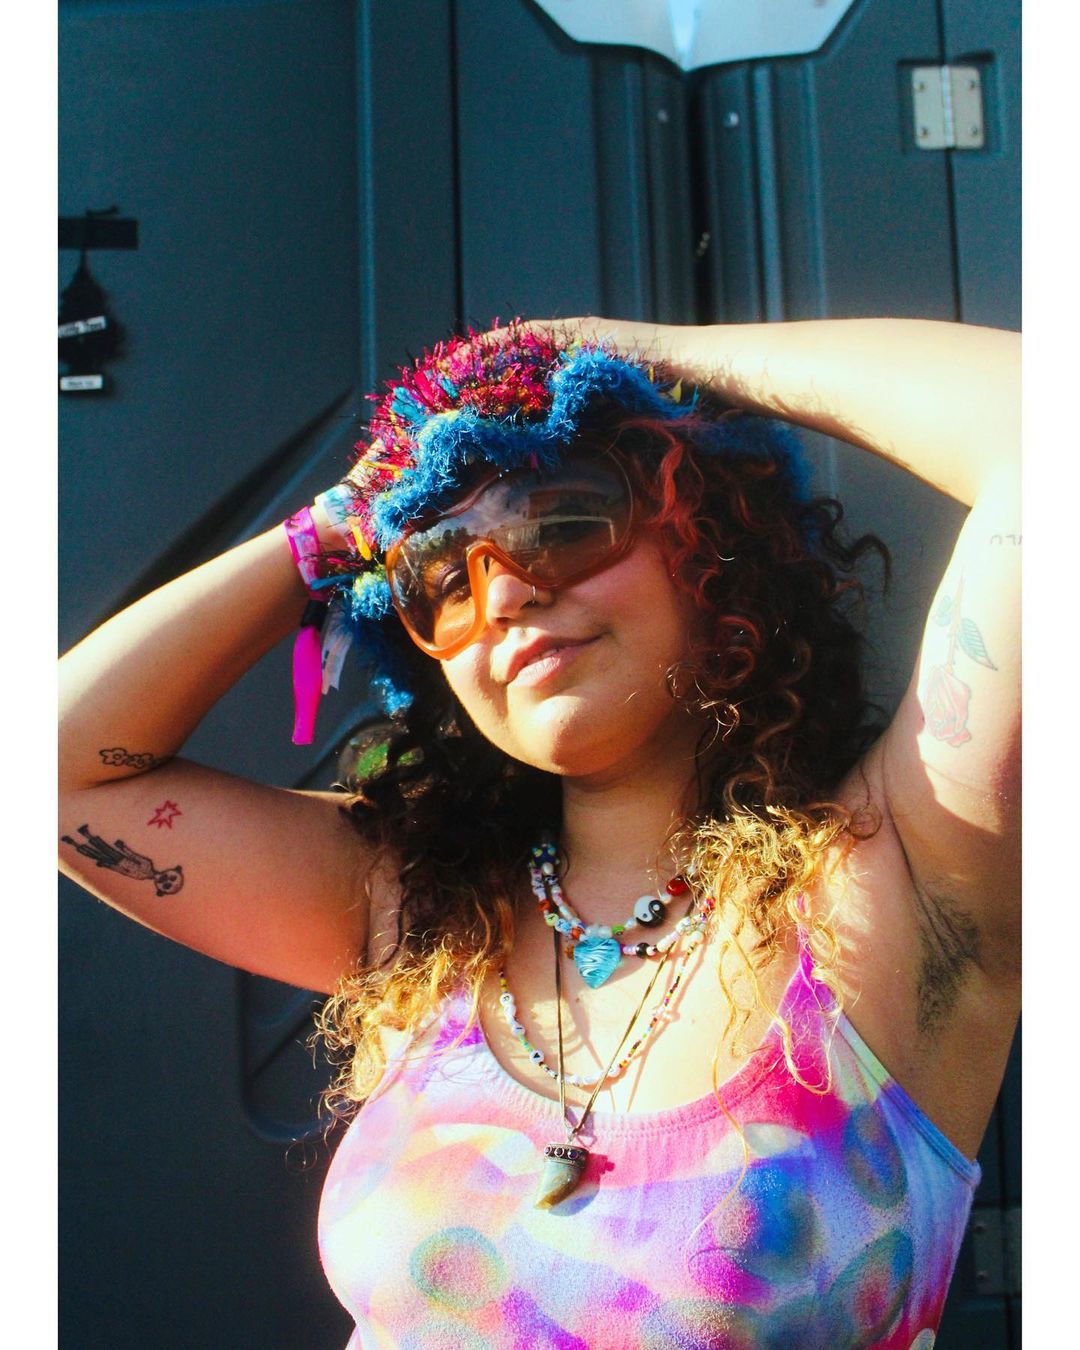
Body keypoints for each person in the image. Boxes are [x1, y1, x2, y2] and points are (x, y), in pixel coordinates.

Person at [59, 316, 1020, 1348]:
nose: (508, 592)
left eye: (560, 521)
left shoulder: (900, 880)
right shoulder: (422, 920)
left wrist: (636, 354)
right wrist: (337, 527)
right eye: (442, 578)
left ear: (714, 545)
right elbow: (61, 774)